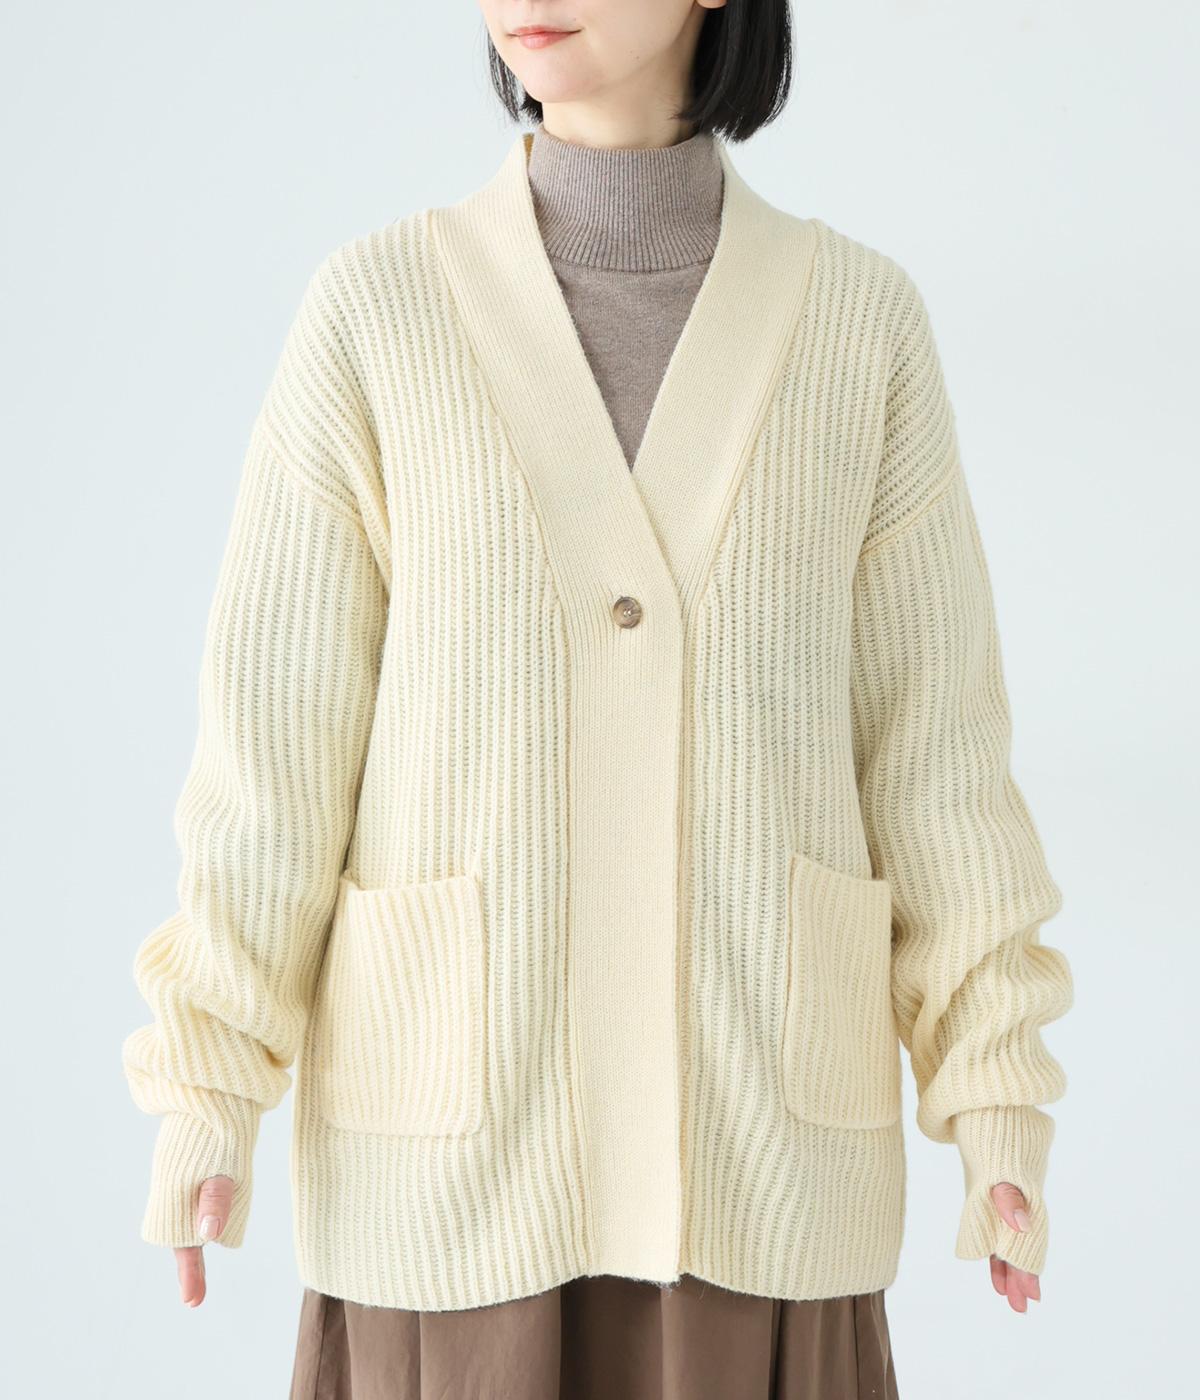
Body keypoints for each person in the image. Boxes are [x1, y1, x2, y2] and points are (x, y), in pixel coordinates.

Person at [122, 2, 1075, 1396]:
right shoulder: (377, 315)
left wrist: (995, 1093)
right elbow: (274, 753)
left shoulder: (859, 328)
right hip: (452, 1195)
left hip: (759, 1187)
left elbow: (936, 759)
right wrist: (208, 1083)